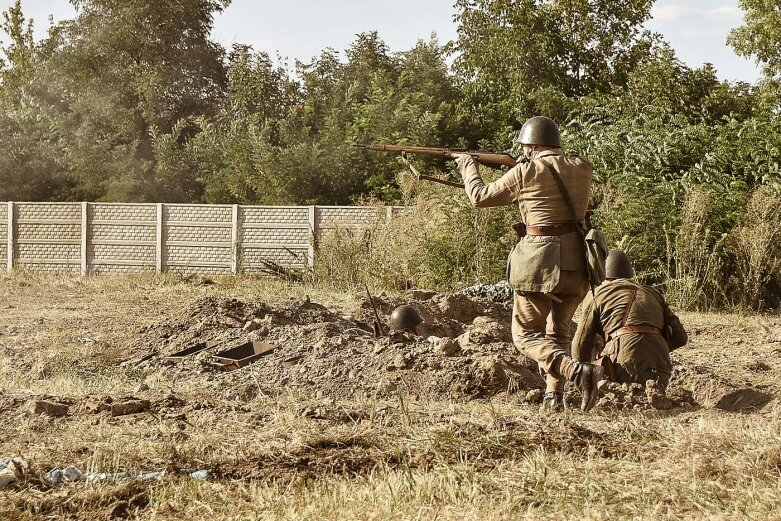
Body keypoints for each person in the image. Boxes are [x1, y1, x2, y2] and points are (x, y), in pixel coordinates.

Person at [454, 116, 602, 412]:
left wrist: (468, 165)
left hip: (541, 264)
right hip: (579, 264)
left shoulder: (525, 171)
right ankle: (553, 396)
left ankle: (576, 372)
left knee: (524, 335)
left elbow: (480, 197)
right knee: (557, 332)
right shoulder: (581, 166)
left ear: (530, 146)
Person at [571, 250, 687, 390]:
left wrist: (582, 377)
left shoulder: (597, 293)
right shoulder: (653, 293)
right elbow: (680, 337)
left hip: (623, 365)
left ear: (602, 274)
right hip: (661, 366)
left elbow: (581, 342)